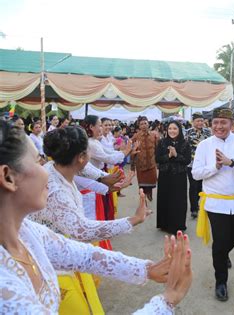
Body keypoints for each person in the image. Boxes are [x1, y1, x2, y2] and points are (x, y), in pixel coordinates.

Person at [0, 120, 192, 314]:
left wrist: (146, 269)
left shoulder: (25, 231)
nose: (45, 168)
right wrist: (167, 301)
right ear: (8, 177)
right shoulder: (5, 290)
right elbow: (81, 231)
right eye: (37, 161)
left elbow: (83, 255)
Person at [29, 126, 150, 312]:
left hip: (57, 247)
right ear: (81, 157)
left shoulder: (55, 167)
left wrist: (104, 179)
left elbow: (85, 170)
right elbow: (82, 231)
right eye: (87, 152)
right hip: (48, 261)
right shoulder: (56, 191)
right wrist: (133, 219)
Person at [192, 108, 234, 302]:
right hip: (215, 202)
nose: (219, 126)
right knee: (220, 242)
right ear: (211, 124)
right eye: (216, 123)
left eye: (223, 122)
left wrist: (232, 163)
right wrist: (215, 167)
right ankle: (221, 282)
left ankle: (223, 254)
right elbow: (196, 173)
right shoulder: (204, 145)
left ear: (232, 124)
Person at [156, 121, 191, 234]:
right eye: (170, 128)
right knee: (164, 198)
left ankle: (178, 225)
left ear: (179, 130)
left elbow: (187, 160)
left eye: (175, 128)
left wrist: (176, 155)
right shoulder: (162, 142)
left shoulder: (185, 143)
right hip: (165, 176)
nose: (172, 131)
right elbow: (158, 159)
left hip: (179, 176)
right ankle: (164, 224)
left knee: (178, 200)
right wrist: (168, 156)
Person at [185, 112, 212, 219]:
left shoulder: (208, 132)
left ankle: (197, 203)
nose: (200, 122)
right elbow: (185, 147)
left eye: (201, 120)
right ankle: (194, 209)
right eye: (198, 121)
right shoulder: (187, 132)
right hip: (191, 163)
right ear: (193, 122)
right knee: (193, 186)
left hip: (204, 164)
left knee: (201, 186)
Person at [131, 116, 159, 201]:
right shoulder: (136, 137)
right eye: (141, 124)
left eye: (145, 123)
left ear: (148, 124)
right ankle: (143, 201)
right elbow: (132, 151)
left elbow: (157, 149)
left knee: (151, 182)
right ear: (139, 126)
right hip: (141, 165)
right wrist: (132, 166)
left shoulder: (154, 135)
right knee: (142, 185)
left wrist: (158, 163)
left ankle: (149, 193)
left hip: (151, 164)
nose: (143, 125)